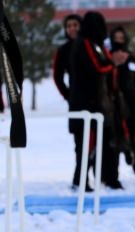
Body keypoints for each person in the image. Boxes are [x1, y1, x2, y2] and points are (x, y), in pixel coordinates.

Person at [69, 11, 125, 190]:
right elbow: (97, 67)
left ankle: (107, 178)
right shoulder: (85, 43)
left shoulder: (96, 44)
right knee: (87, 144)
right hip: (87, 104)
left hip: (100, 103)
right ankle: (81, 180)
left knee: (103, 144)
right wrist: (113, 63)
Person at [52, 14, 88, 190]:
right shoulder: (63, 50)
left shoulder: (89, 45)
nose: (72, 28)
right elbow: (57, 76)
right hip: (77, 102)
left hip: (97, 100)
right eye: (69, 26)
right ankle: (80, 179)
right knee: (80, 142)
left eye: (75, 25)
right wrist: (68, 95)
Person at [110, 26, 135, 178]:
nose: (119, 41)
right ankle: (115, 171)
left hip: (132, 104)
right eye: (116, 38)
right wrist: (114, 65)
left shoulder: (131, 58)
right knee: (117, 136)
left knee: (133, 135)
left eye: (121, 38)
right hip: (114, 104)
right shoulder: (108, 57)